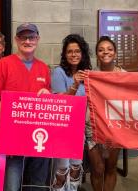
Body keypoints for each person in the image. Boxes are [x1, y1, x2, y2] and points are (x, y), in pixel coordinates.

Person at [0, 23, 51, 191]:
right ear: (16, 40)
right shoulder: (4, 64)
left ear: (37, 39)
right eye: (23, 37)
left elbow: (49, 106)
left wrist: (48, 96)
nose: (27, 41)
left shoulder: (43, 68)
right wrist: (9, 129)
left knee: (36, 184)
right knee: (12, 186)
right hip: (13, 140)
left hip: (39, 139)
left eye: (31, 37)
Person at [51, 34, 92, 191]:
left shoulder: (87, 74)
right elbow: (61, 103)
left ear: (82, 54)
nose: (74, 54)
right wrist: (74, 84)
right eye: (70, 51)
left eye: (77, 51)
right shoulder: (59, 72)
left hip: (78, 130)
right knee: (61, 171)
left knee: (76, 169)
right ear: (65, 54)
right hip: (61, 131)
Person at [85, 36, 125, 191]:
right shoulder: (91, 76)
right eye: (101, 50)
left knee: (110, 167)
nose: (105, 52)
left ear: (115, 53)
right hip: (93, 127)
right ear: (97, 54)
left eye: (109, 49)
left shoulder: (125, 76)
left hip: (115, 128)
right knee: (97, 168)